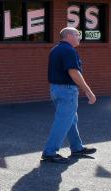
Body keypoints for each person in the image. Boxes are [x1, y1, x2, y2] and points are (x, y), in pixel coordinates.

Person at [41, 26, 97, 164]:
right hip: (67, 91)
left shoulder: (56, 49)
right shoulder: (69, 50)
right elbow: (74, 72)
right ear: (69, 36)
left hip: (56, 89)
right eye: (78, 34)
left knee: (71, 119)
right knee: (63, 121)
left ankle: (77, 148)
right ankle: (50, 152)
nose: (79, 37)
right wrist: (88, 91)